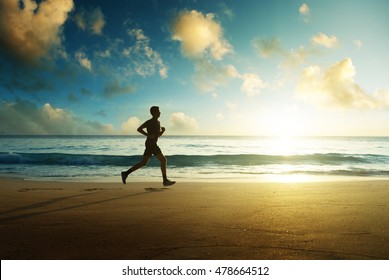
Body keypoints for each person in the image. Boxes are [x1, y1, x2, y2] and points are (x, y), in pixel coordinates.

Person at [121, 106, 176, 186]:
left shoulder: (158, 123)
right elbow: (139, 129)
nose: (160, 112)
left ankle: (125, 173)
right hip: (151, 144)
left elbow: (158, 136)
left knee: (143, 162)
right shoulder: (149, 122)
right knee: (163, 160)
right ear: (154, 113)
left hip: (152, 144)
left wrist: (162, 131)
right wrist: (147, 135)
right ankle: (165, 180)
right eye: (158, 111)